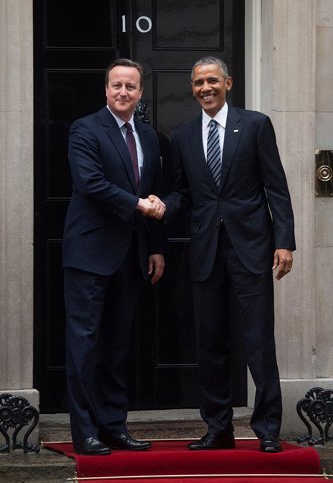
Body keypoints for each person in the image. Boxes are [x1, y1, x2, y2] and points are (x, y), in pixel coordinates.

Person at [161, 56, 295, 453]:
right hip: (206, 253)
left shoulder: (254, 125)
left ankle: (267, 428)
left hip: (251, 250)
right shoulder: (183, 136)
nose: (206, 88)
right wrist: (161, 206)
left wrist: (284, 241)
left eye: (213, 81)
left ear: (228, 83)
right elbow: (182, 194)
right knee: (211, 344)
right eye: (199, 82)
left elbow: (277, 187)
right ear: (192, 88)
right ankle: (218, 428)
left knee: (257, 342)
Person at [62, 58, 166, 455]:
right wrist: (140, 205)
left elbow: (155, 191)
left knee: (117, 347)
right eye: (117, 85)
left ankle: (113, 426)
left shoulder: (150, 137)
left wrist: (157, 246)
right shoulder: (85, 129)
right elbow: (90, 183)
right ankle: (85, 432)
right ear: (106, 90)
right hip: (89, 254)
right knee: (84, 346)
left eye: (131, 87)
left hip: (132, 256)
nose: (123, 92)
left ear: (140, 93)